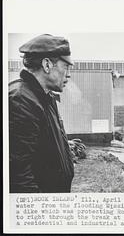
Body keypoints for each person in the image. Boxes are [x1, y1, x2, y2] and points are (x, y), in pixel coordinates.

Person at [9, 34, 75, 193]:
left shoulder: (43, 96)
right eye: (65, 67)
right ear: (47, 65)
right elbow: (18, 173)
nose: (69, 74)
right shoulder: (21, 101)